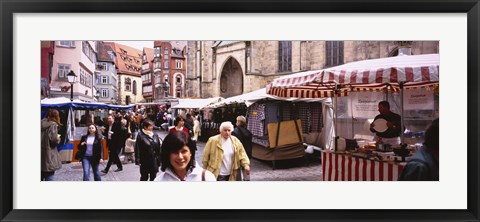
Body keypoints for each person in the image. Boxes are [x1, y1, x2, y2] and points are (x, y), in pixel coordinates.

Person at [41, 109, 63, 181]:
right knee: (49, 176)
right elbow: (54, 140)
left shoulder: (41, 123)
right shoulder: (53, 125)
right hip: (49, 155)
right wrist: (58, 138)